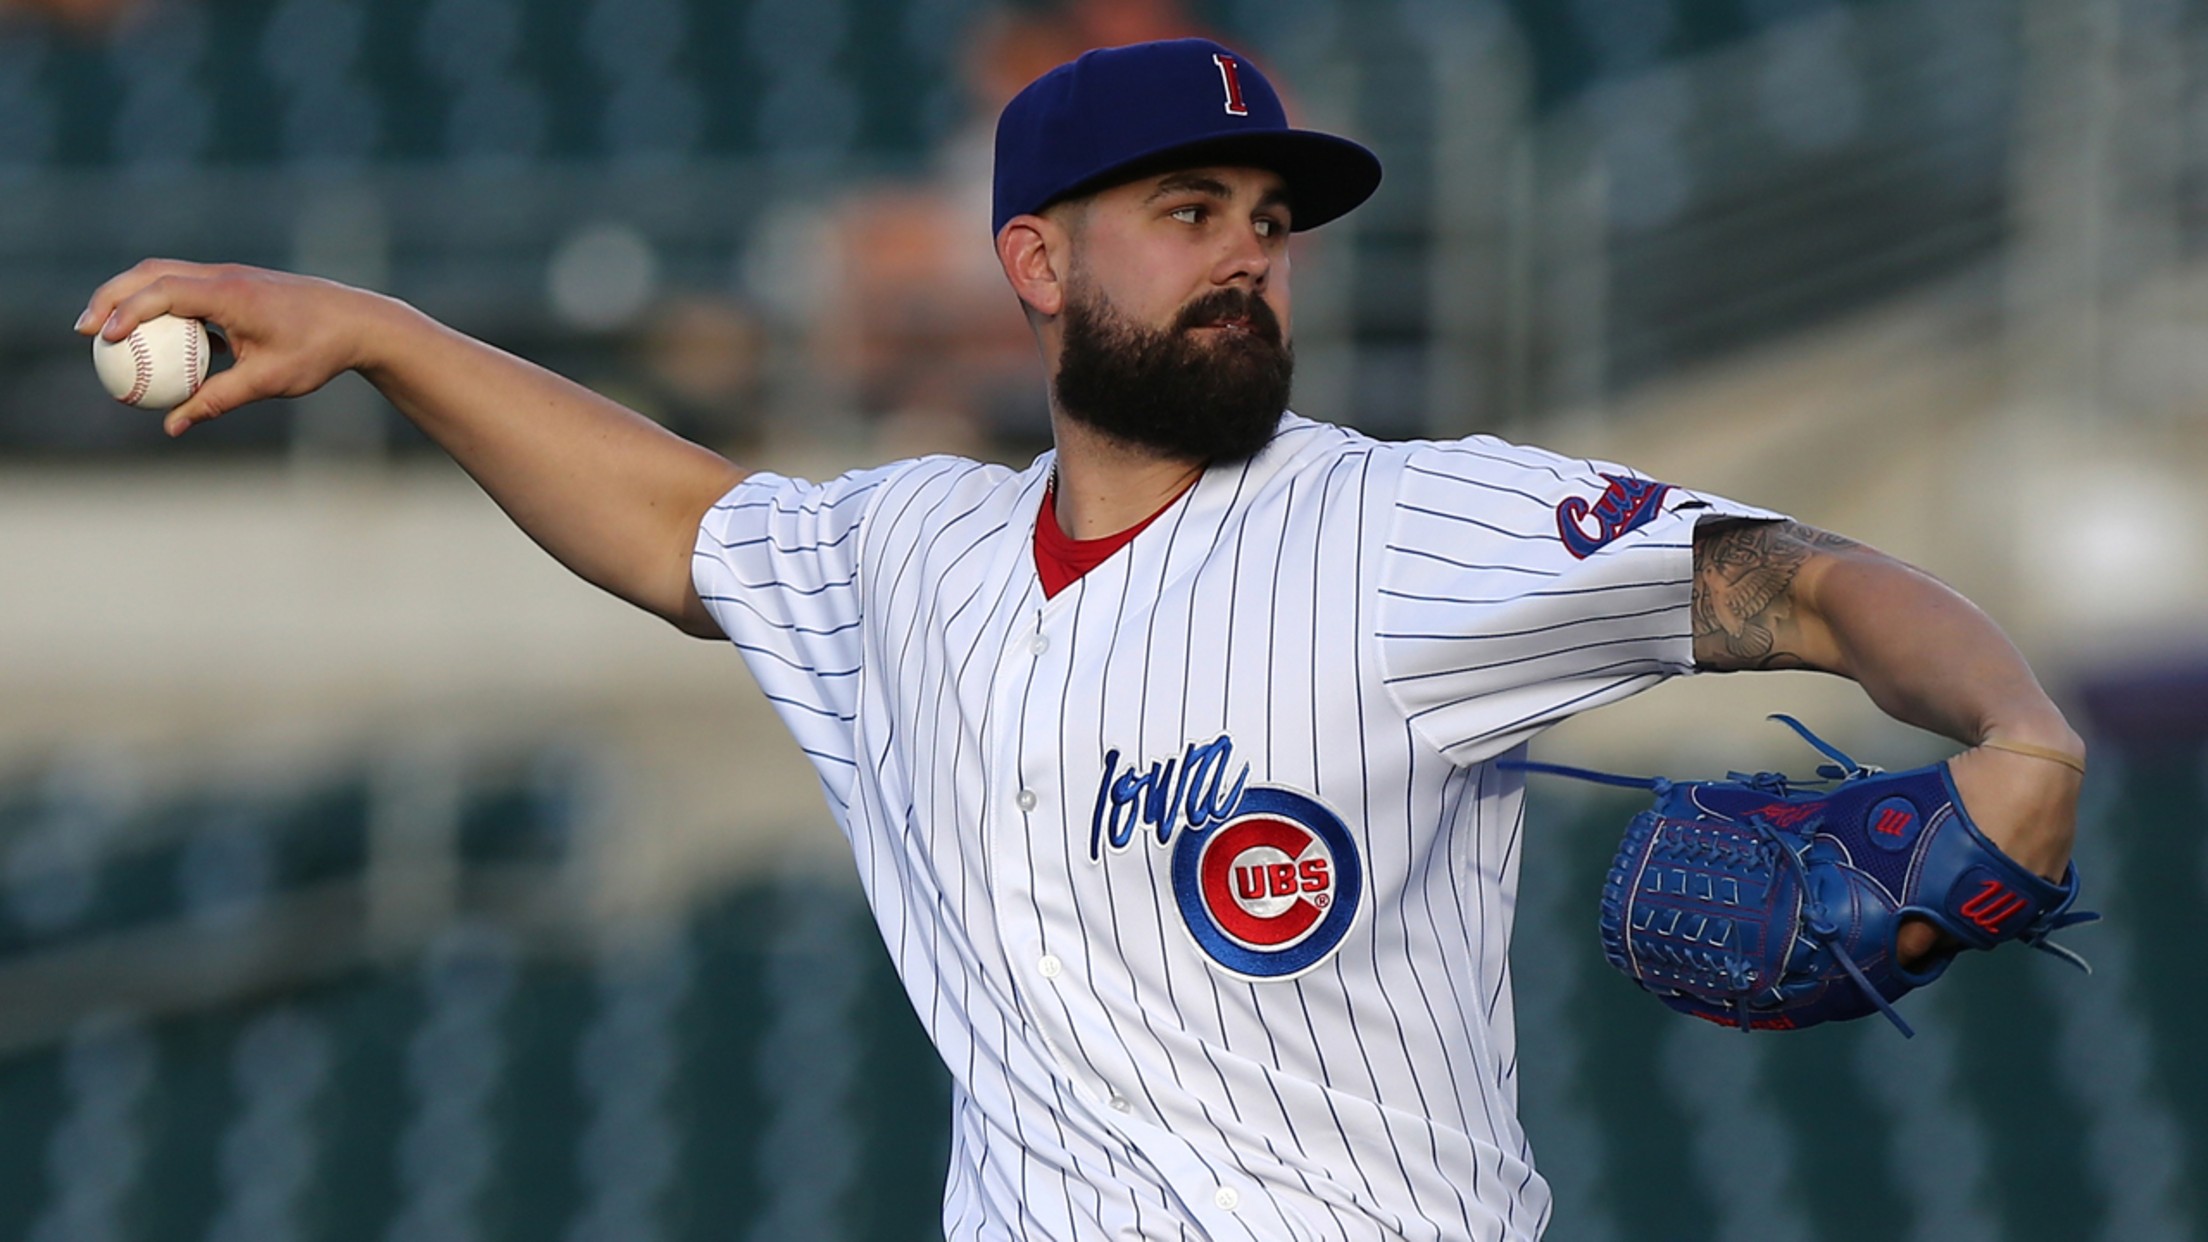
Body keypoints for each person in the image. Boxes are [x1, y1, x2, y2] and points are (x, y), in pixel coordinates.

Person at [78, 37, 2082, 1242]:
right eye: (1186, 211)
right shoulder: (910, 557)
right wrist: (381, 333)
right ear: (1034, 262)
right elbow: (680, 527)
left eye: (1267, 226)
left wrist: (2011, 728)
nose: (1244, 257)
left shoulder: (1410, 523)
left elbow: (1798, 579)